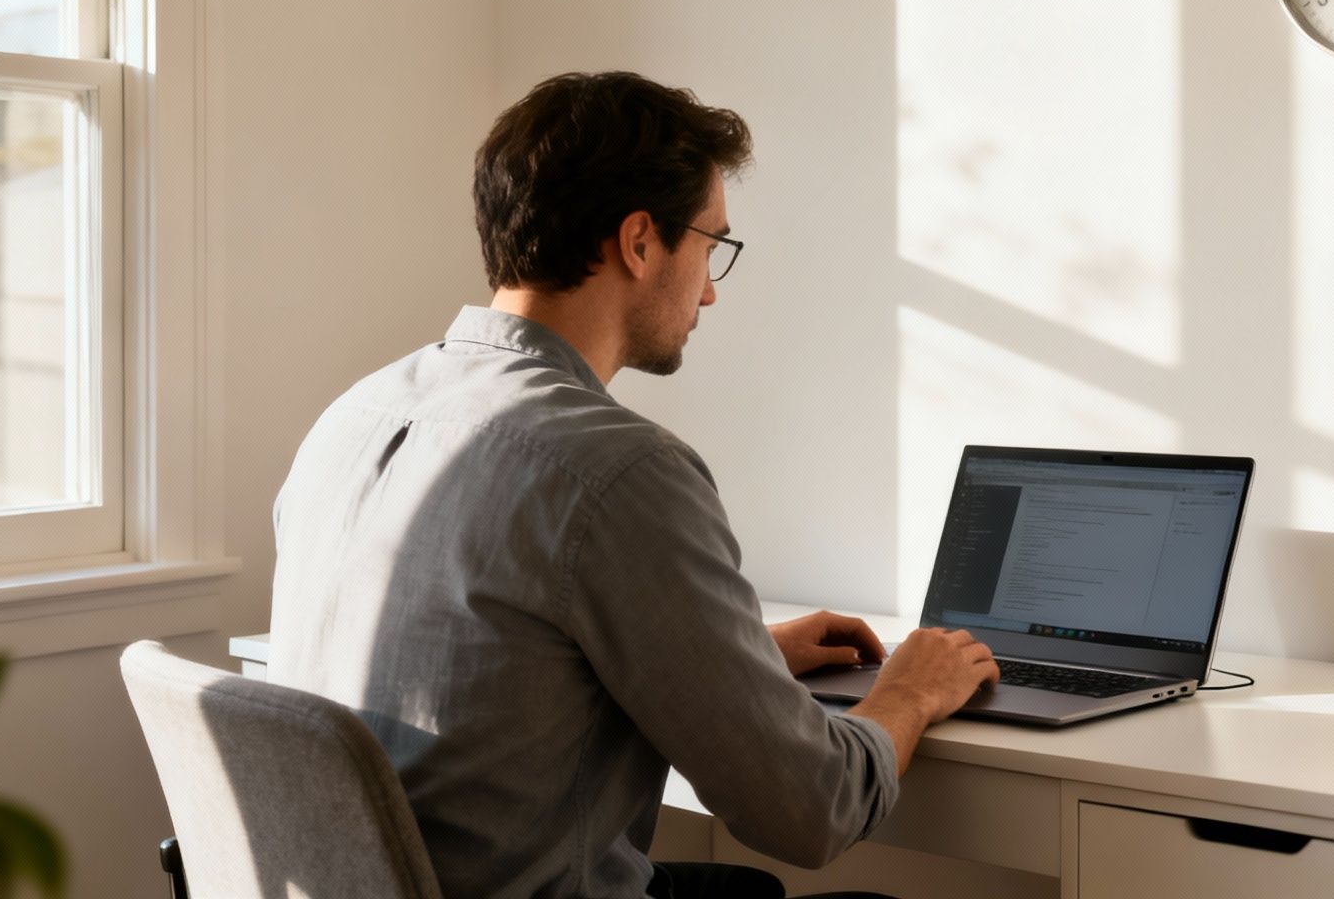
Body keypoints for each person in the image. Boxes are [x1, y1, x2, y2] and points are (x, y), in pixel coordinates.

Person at [266, 71, 1001, 899]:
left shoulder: (353, 415)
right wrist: (909, 691)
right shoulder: (616, 470)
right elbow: (812, 810)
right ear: (641, 241)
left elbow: (493, 660)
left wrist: (740, 658)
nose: (712, 288)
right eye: (712, 244)